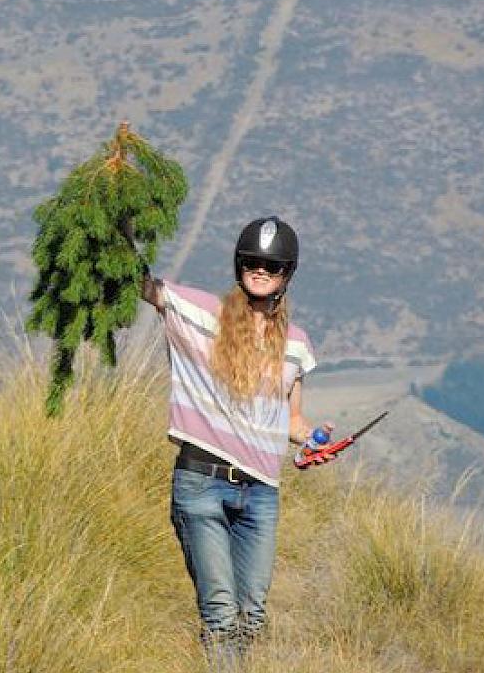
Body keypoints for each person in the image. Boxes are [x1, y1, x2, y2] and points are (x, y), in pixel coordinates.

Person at [141, 216, 333, 670]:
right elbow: (146, 286)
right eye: (252, 262)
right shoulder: (198, 311)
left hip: (261, 492)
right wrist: (118, 225)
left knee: (251, 618)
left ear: (288, 274)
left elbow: (291, 419)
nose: (261, 271)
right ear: (238, 265)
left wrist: (316, 440)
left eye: (273, 266)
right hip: (201, 484)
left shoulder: (297, 344)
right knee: (222, 617)